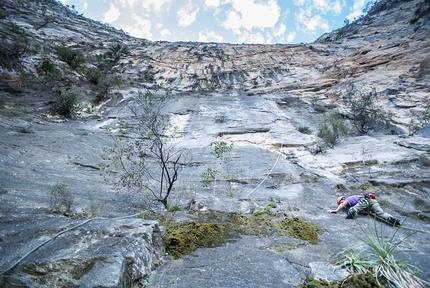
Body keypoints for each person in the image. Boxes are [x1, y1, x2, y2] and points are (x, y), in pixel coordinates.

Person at [329, 193, 401, 226]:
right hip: (373, 203)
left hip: (364, 201)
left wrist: (336, 210)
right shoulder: (354, 199)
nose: (341, 204)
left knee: (353, 209)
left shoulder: (348, 199)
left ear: (342, 199)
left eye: (340, 202)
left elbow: (343, 204)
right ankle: (391, 219)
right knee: (380, 214)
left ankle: (353, 211)